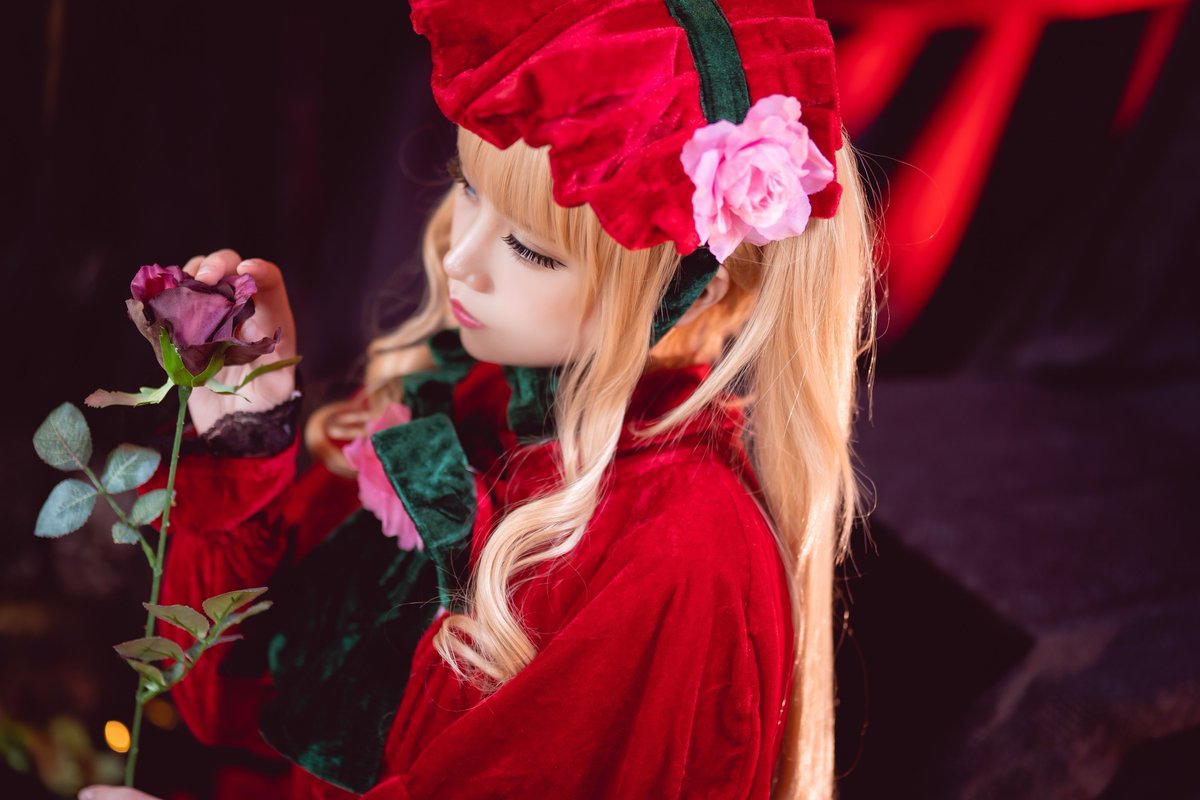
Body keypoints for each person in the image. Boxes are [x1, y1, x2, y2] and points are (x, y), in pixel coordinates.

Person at [82, 1, 877, 798]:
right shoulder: (477, 397)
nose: (459, 259)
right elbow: (225, 699)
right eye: (469, 187)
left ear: (695, 295)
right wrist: (246, 426)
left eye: (531, 248)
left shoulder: (681, 550)